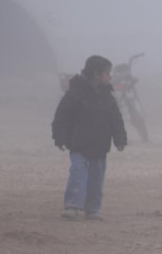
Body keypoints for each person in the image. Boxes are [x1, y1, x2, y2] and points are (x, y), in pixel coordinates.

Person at [52, 55, 127, 221]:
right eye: (107, 73)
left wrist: (120, 139)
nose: (110, 77)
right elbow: (62, 116)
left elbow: (116, 119)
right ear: (96, 74)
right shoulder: (75, 94)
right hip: (79, 145)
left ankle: (93, 210)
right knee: (78, 175)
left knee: (96, 181)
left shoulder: (108, 97)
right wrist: (60, 137)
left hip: (100, 148)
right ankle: (72, 206)